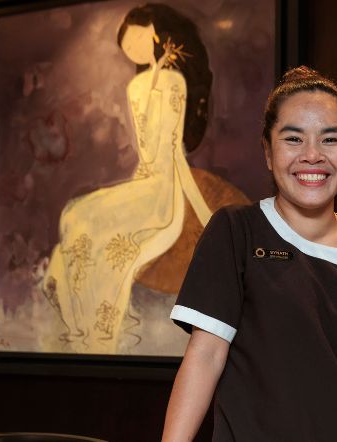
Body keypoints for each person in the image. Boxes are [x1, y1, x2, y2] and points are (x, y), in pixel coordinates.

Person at [163, 66, 337, 441]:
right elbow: (205, 357)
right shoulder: (236, 232)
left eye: (330, 140)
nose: (312, 155)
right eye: (293, 139)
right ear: (268, 152)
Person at [40, 3, 213, 353]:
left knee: (89, 219)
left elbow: (171, 152)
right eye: (127, 46)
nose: (133, 49)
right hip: (142, 182)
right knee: (74, 212)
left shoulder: (174, 82)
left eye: (138, 39)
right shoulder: (136, 87)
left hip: (162, 194)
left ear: (155, 33)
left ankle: (97, 332)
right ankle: (81, 327)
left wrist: (203, 211)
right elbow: (145, 151)